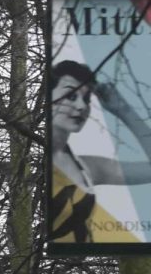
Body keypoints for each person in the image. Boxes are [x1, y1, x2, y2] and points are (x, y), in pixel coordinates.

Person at [48, 60, 151, 243]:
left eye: (86, 99)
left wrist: (124, 110)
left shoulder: (87, 167)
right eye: (71, 96)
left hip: (78, 267)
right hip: (43, 267)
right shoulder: (30, 159)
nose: (81, 106)